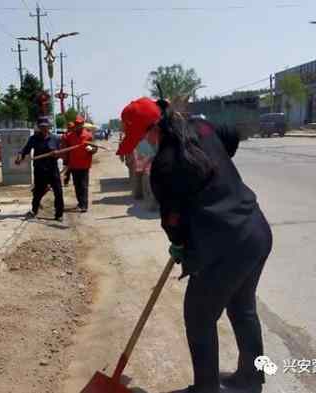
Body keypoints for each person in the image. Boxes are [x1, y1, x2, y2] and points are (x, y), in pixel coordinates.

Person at [117, 97, 273, 393]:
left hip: (225, 247)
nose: (144, 144)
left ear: (153, 129)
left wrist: (179, 246)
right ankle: (250, 379)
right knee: (242, 309)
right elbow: (230, 136)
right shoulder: (201, 127)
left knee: (198, 316)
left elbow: (173, 224)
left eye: (141, 137)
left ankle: (206, 389)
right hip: (256, 230)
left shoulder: (164, 166)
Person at [15, 116, 64, 222]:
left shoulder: (55, 138)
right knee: (38, 192)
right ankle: (34, 210)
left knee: (58, 192)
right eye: (41, 127)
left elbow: (61, 154)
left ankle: (59, 214)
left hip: (52, 170)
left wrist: (57, 154)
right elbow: (25, 150)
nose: (43, 129)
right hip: (39, 170)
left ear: (49, 127)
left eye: (45, 126)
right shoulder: (34, 138)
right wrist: (20, 157)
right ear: (38, 127)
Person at [62, 115, 96, 212]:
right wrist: (66, 162)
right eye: (76, 124)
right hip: (73, 164)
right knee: (77, 185)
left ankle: (84, 205)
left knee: (84, 185)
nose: (78, 126)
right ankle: (80, 203)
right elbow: (66, 148)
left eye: (80, 124)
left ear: (83, 124)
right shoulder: (70, 136)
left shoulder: (88, 135)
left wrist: (91, 150)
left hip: (84, 164)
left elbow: (95, 148)